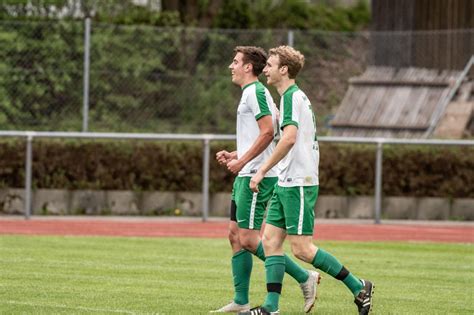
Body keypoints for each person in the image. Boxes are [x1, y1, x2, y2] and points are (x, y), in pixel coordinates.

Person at [243, 46, 374, 315]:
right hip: (286, 181)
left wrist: (261, 170)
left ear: (284, 70)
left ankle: (358, 286)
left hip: (299, 182)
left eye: (270, 65)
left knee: (302, 249)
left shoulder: (291, 97)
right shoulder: (290, 97)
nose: (265, 69)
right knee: (270, 241)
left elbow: (289, 139)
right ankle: (270, 307)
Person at [212, 46, 320, 313]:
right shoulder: (251, 93)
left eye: (235, 61)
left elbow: (268, 131)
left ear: (248, 67)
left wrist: (244, 161)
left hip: (258, 175)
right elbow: (267, 136)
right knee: (234, 236)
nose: (231, 66)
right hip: (246, 172)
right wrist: (237, 153)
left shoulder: (257, 92)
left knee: (250, 239)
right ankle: (241, 300)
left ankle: (304, 277)